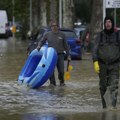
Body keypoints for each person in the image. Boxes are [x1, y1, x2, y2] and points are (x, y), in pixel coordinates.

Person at [92, 16, 120, 109]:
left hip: (115, 65)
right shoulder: (100, 35)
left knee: (114, 86)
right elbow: (95, 49)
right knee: (103, 86)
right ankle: (105, 107)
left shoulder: (117, 35)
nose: (107, 24)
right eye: (106, 22)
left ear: (112, 23)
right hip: (102, 65)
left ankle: (113, 107)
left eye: (109, 22)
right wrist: (95, 61)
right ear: (104, 24)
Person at [37, 20, 71, 86]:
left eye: (55, 26)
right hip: (51, 56)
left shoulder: (62, 35)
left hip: (60, 55)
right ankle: (52, 83)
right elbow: (41, 41)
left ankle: (61, 82)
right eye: (52, 26)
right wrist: (39, 46)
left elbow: (66, 46)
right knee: (50, 71)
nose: (54, 27)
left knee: (61, 71)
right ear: (51, 27)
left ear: (58, 27)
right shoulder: (47, 34)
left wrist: (68, 55)